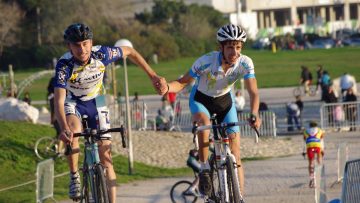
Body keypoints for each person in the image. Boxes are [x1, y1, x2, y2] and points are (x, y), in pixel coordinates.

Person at [55, 23, 167, 202]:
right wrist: (63, 128)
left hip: (97, 101)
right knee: (72, 131)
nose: (81, 49)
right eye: (76, 45)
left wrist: (153, 75)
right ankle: (74, 175)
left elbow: (130, 51)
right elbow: (59, 100)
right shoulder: (64, 65)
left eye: (85, 43)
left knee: (106, 157)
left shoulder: (102, 54)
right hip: (74, 102)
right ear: (69, 46)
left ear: (91, 43)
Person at [165, 24, 261, 196]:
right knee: (205, 124)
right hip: (201, 100)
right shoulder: (205, 62)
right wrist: (166, 87)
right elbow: (182, 82)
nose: (234, 52)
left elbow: (253, 92)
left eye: (238, 47)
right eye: (230, 47)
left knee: (236, 154)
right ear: (221, 47)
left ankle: (239, 197)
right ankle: (204, 169)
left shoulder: (245, 63)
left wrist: (254, 114)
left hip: (225, 102)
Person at [303, 121, 325, 188]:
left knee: (310, 162)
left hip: (309, 146)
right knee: (319, 160)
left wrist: (303, 151)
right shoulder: (320, 130)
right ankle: (320, 175)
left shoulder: (305, 131)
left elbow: (304, 142)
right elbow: (321, 141)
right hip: (317, 146)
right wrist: (322, 150)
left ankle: (311, 177)